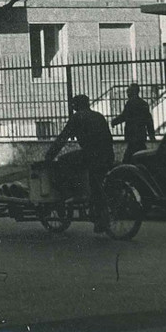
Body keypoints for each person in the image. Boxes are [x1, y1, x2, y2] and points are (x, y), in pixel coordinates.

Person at [45, 95, 115, 234]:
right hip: (107, 154)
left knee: (63, 162)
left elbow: (62, 139)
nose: (72, 107)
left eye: (73, 104)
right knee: (97, 184)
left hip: (91, 155)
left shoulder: (78, 117)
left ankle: (73, 192)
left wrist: (49, 155)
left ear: (76, 105)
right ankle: (97, 213)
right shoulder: (99, 116)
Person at [112, 84, 156, 162]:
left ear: (132, 92)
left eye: (129, 91)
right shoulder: (143, 103)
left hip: (132, 133)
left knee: (129, 155)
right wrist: (151, 134)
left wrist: (114, 122)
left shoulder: (130, 103)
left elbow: (124, 116)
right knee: (140, 152)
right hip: (141, 133)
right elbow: (148, 120)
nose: (127, 93)